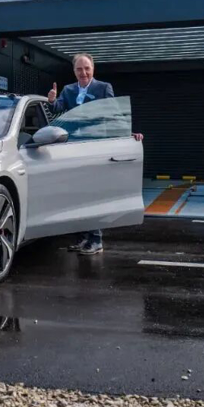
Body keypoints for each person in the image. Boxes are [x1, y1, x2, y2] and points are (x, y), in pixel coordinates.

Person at [47, 53, 142, 256]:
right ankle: (83, 239)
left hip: (95, 147)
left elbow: (114, 114)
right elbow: (58, 109)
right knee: (76, 194)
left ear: (93, 69)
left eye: (87, 68)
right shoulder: (68, 90)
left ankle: (96, 240)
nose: (83, 72)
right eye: (79, 69)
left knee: (92, 194)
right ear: (74, 71)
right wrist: (52, 100)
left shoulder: (103, 88)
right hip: (73, 149)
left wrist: (128, 134)